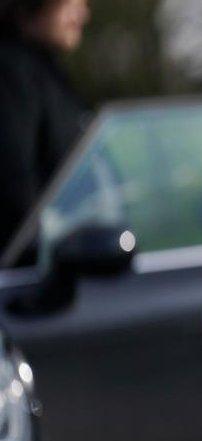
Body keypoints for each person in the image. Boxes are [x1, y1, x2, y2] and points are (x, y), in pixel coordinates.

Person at [0, 0, 89, 253]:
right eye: (71, 3)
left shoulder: (47, 72)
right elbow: (15, 188)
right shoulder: (12, 73)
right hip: (36, 269)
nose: (82, 14)